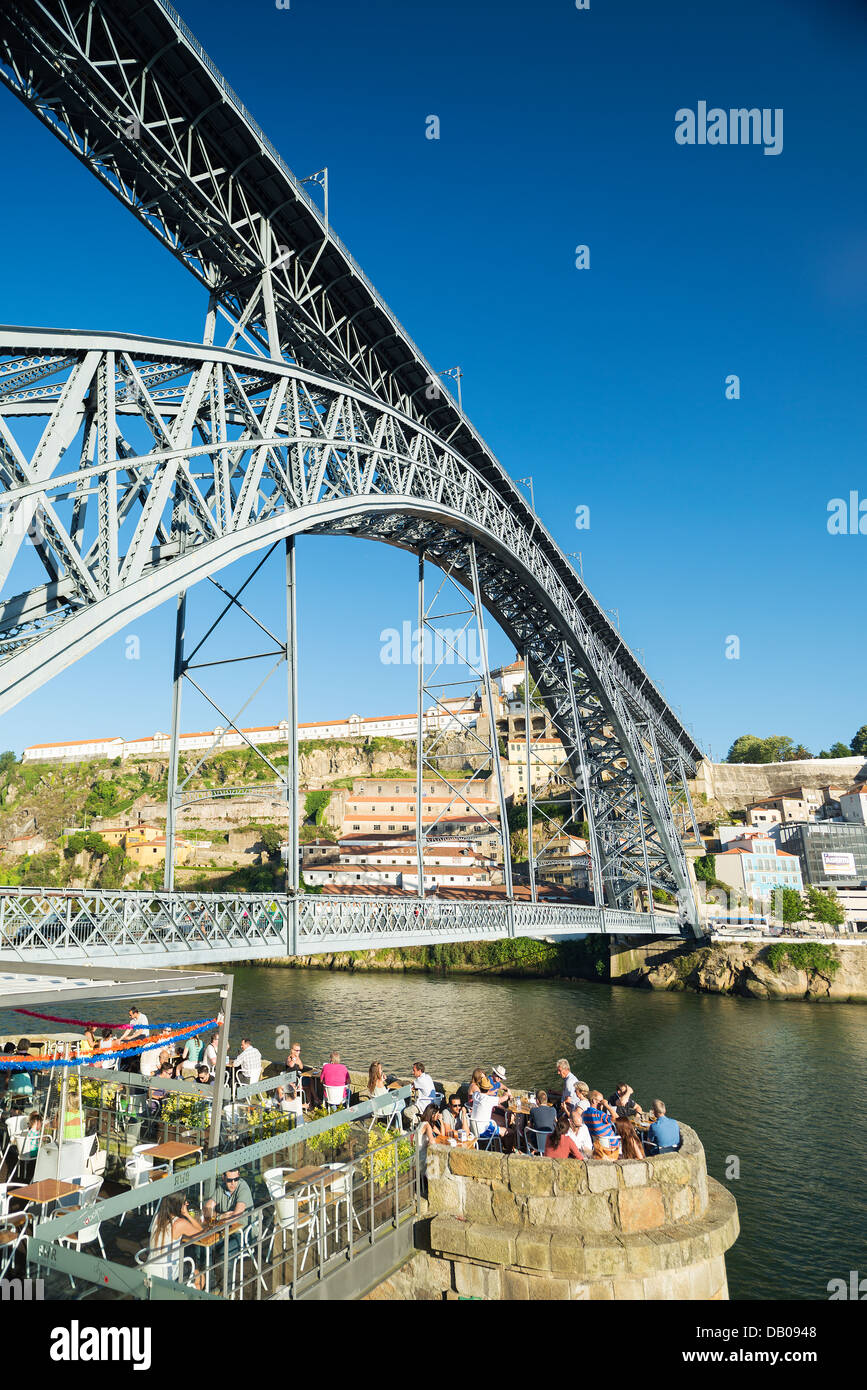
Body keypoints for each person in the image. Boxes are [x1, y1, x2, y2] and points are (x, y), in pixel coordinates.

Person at [149, 1193, 205, 1288]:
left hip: (150, 1268)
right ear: (177, 1205)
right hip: (167, 1272)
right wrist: (186, 1214)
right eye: (184, 1202)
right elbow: (202, 1234)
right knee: (199, 1276)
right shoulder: (179, 1223)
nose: (186, 1204)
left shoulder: (157, 1216)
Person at [203, 1167, 252, 1270]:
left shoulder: (243, 1188)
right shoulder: (221, 1188)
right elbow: (206, 1208)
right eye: (229, 1180)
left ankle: (227, 1286)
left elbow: (235, 1217)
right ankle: (210, 1284)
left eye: (236, 1179)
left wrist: (216, 1216)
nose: (233, 1183)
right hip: (225, 1230)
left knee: (225, 1254)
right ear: (224, 1178)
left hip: (243, 1233)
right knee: (205, 1247)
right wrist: (221, 1216)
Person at [469, 1076, 515, 1152]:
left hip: (474, 1129)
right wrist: (507, 1094)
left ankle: (497, 1148)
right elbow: (503, 1099)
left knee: (498, 1125)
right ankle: (508, 1152)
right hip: (484, 1130)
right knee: (510, 1132)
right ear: (488, 1089)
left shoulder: (476, 1095)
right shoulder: (489, 1099)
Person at [582, 1091, 622, 1157]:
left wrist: (600, 1109)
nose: (602, 1103)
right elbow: (617, 1118)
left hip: (598, 1145)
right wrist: (607, 1105)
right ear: (594, 1101)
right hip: (611, 1145)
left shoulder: (585, 1114)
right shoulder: (599, 1114)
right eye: (601, 1101)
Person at [118, 1006, 150, 1074]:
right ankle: (125, 1062)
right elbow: (128, 1030)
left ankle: (129, 1062)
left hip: (143, 1036)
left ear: (135, 1013)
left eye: (130, 1015)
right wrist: (121, 1038)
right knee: (122, 1042)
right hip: (136, 1036)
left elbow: (141, 1031)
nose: (129, 1016)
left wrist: (130, 1037)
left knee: (129, 1042)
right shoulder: (132, 1020)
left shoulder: (143, 1017)